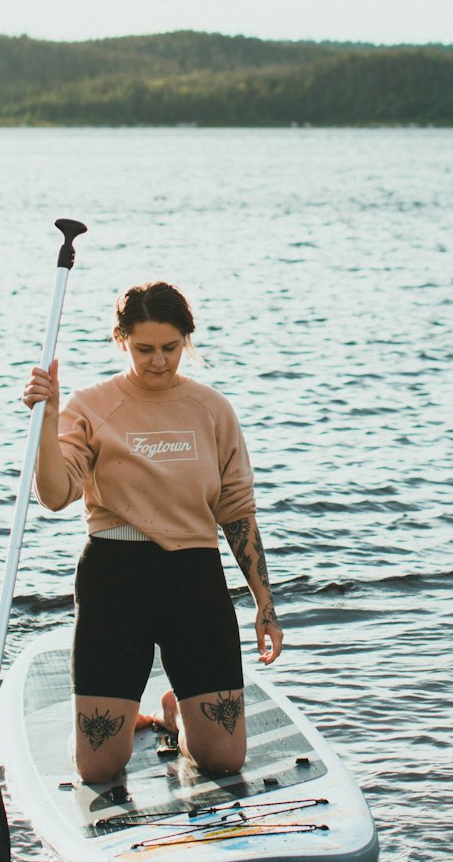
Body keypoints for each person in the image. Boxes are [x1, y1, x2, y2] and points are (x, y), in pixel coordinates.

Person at [22, 280, 283, 784]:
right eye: (144, 349)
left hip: (193, 579)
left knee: (223, 761)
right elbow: (55, 496)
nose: (159, 361)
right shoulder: (90, 405)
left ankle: (174, 710)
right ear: (121, 341)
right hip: (114, 582)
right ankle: (130, 718)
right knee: (99, 766)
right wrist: (48, 419)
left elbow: (237, 513)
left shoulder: (212, 409)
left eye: (170, 348)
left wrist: (264, 605)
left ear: (187, 339)